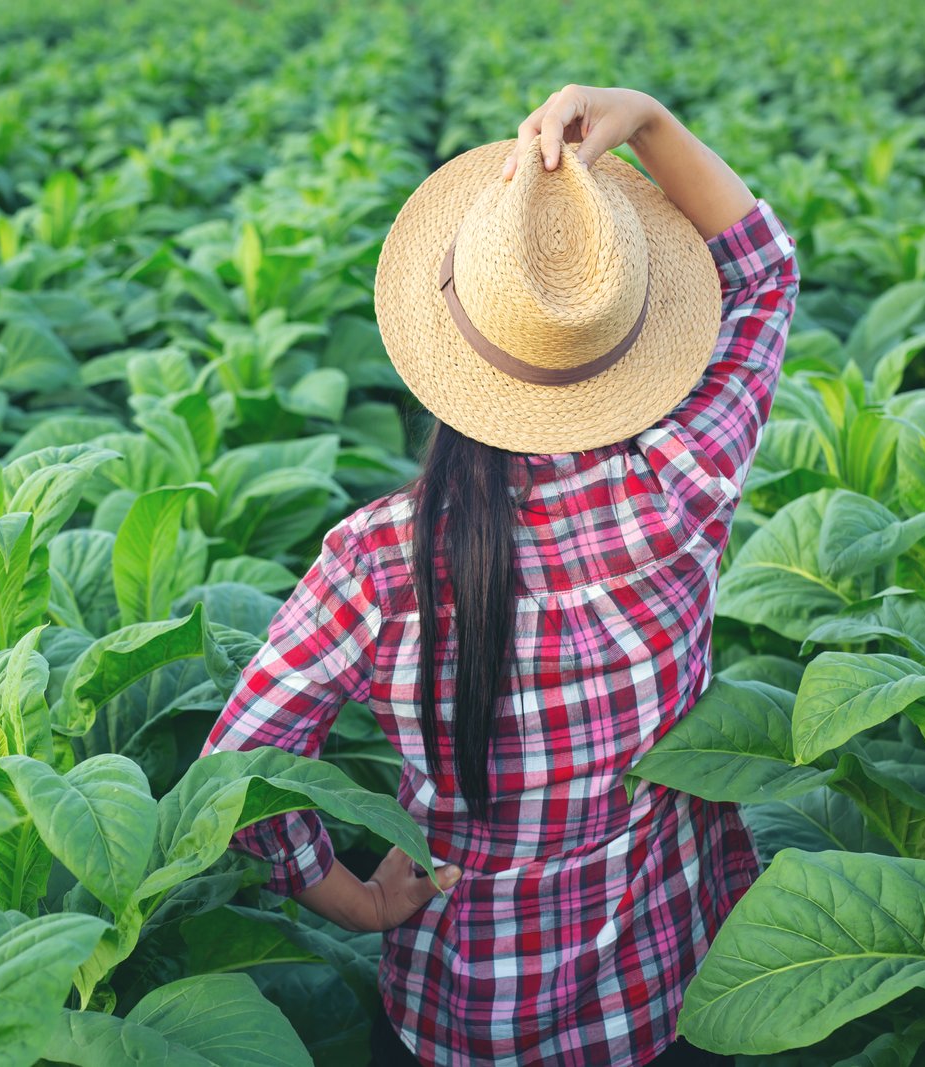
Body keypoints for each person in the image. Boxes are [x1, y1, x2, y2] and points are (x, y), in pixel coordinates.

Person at [201, 82, 800, 1066]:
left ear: (450, 337)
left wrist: (351, 896)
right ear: (630, 341)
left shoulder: (377, 557)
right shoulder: (675, 492)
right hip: (663, 997)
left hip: (456, 1013)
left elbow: (240, 771)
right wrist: (646, 119)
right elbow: (764, 273)